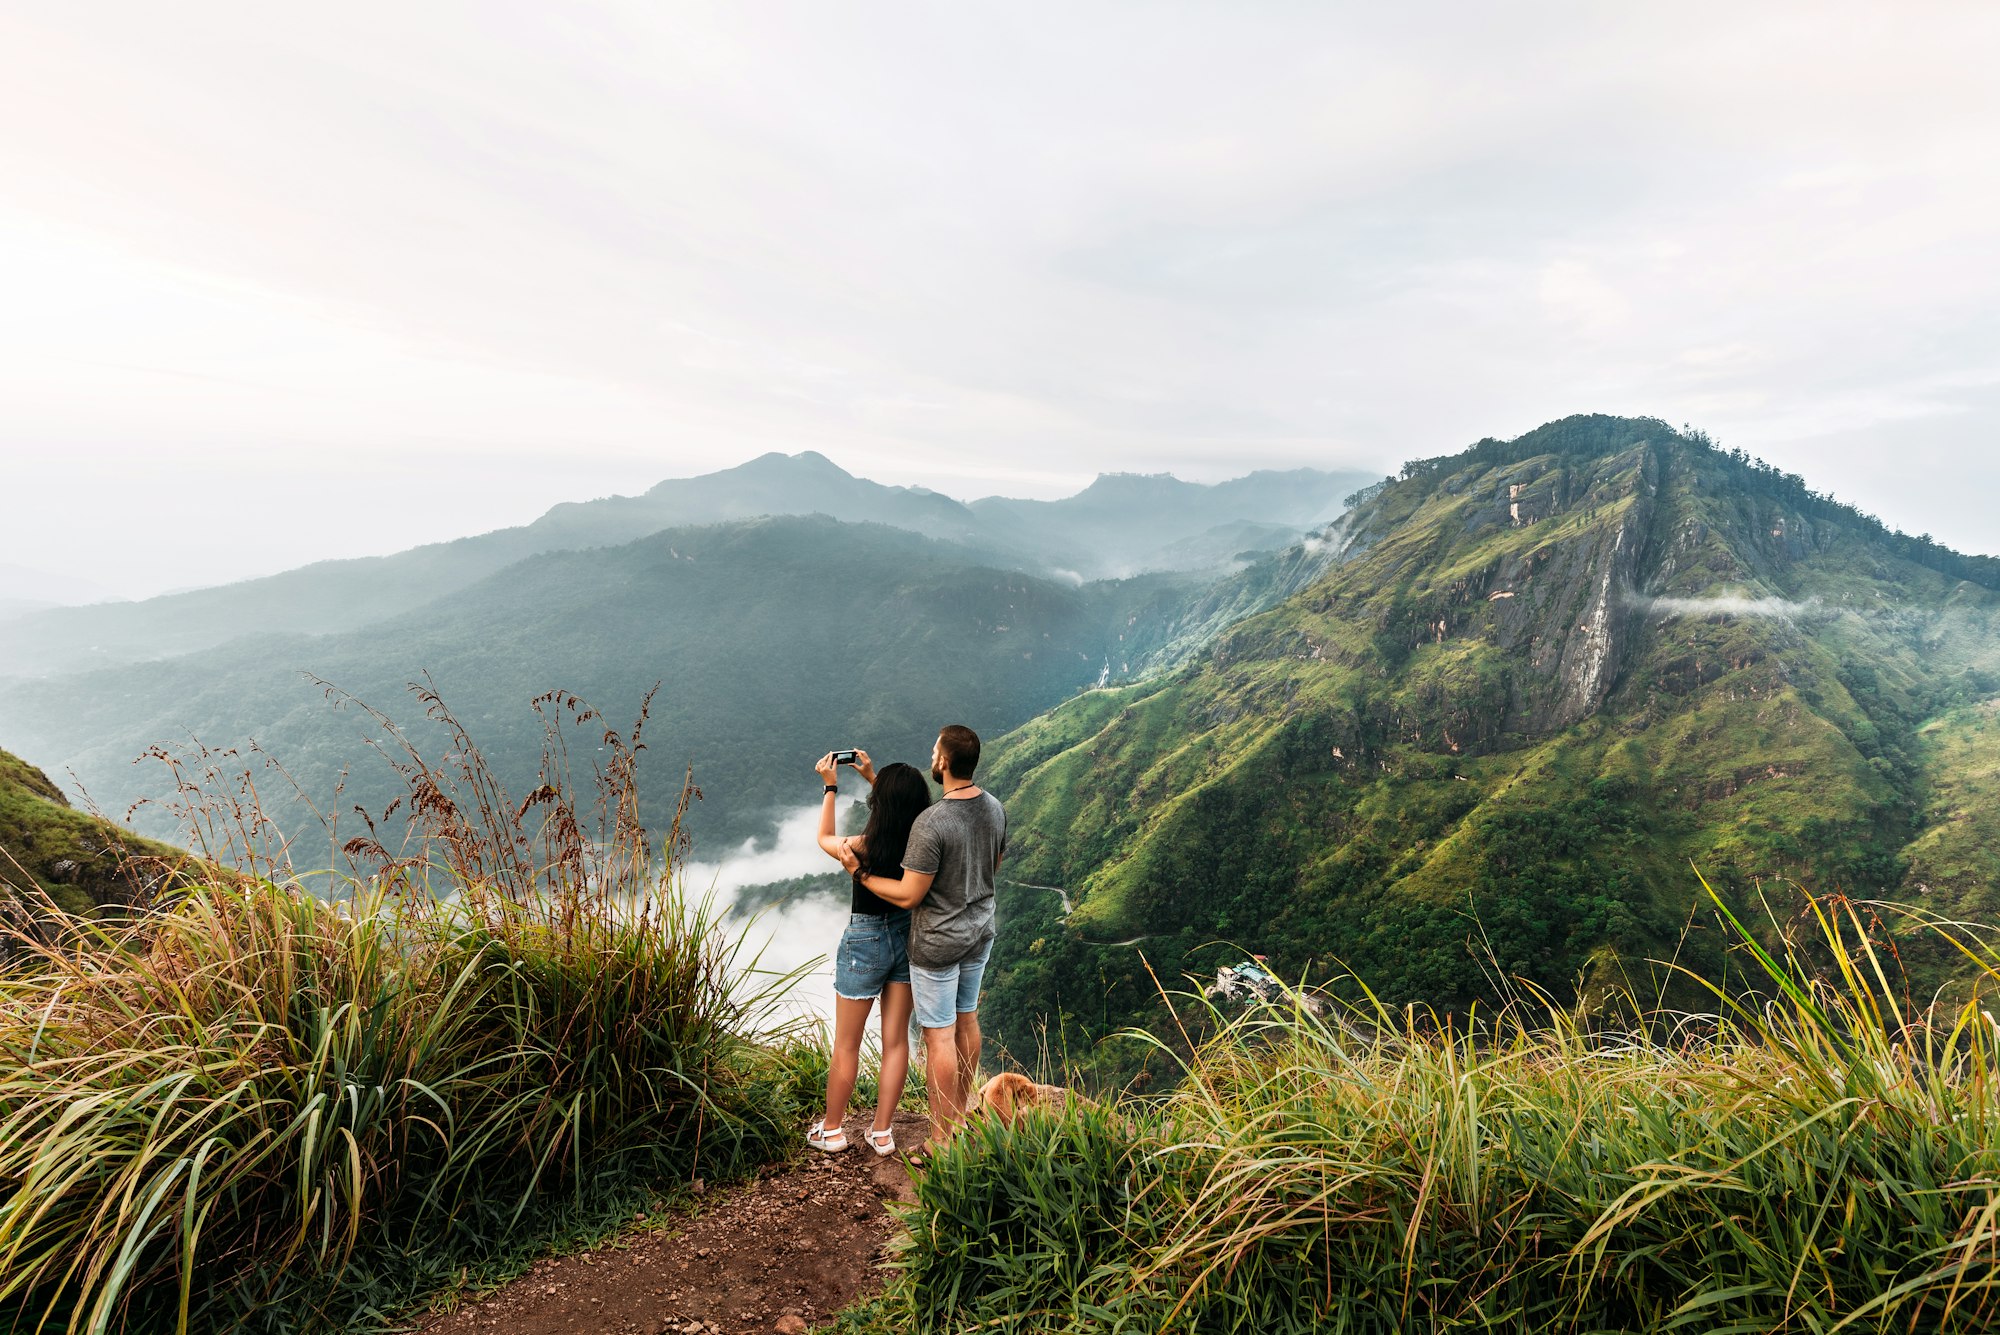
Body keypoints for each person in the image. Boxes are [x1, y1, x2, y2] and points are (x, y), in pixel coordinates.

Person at [842, 724, 1005, 1141]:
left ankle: (941, 1139)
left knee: (939, 1034)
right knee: (967, 1019)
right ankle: (961, 1113)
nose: (931, 756)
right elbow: (993, 865)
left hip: (938, 943)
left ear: (944, 762)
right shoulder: (994, 808)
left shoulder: (931, 823)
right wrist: (875, 780)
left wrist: (859, 874)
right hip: (980, 931)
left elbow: (908, 894)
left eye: (935, 750)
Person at [804, 749, 928, 1156]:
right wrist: (874, 777)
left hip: (865, 942)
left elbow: (824, 838)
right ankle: (881, 1132)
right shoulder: (924, 843)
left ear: (881, 805)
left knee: (847, 1044)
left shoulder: (862, 847)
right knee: (896, 1043)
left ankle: (833, 1130)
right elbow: (902, 810)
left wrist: (831, 786)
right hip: (907, 939)